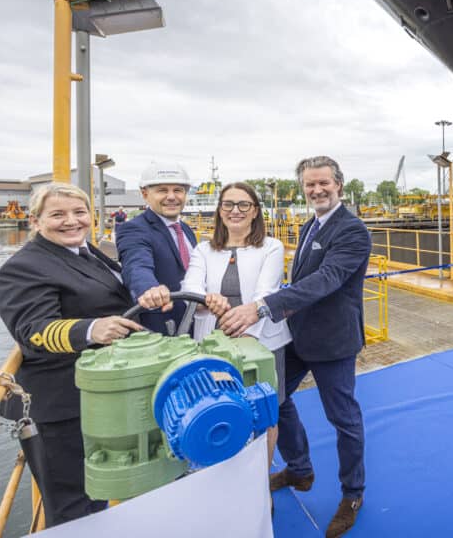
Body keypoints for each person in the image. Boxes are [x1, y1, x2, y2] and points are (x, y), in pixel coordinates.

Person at [220, 156, 371, 538]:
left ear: (339, 184)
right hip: (297, 335)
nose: (317, 190)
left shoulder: (352, 231)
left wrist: (263, 307)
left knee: (344, 419)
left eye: (323, 183)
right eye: (309, 185)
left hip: (333, 341)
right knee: (277, 399)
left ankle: (353, 494)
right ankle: (300, 469)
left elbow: (328, 278)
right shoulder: (309, 225)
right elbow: (299, 279)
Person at [0, 182, 144, 526]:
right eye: (57, 214)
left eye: (79, 213)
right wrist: (91, 329)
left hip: (93, 399)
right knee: (70, 506)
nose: (71, 221)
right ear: (35, 221)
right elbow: (34, 330)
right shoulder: (24, 267)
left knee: (95, 493)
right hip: (58, 408)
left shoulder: (85, 251)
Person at [152, 181, 291, 479]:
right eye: (228, 204)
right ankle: (223, 479)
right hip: (214, 346)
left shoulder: (271, 247)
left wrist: (243, 326)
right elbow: (190, 287)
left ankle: (259, 484)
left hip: (262, 344)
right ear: (220, 211)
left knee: (265, 415)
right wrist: (205, 300)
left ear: (255, 212)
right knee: (217, 412)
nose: (235, 211)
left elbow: (265, 293)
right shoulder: (204, 249)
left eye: (244, 205)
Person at [116, 162, 196, 334]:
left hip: (195, 322)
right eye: (162, 190)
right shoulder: (134, 229)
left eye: (178, 190)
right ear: (145, 194)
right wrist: (149, 289)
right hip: (163, 328)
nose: (171, 197)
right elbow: (136, 264)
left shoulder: (186, 229)